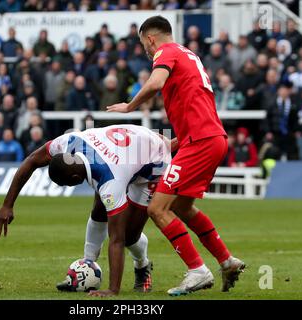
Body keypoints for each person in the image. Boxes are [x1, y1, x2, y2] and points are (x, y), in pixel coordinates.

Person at [107, 15, 245, 296]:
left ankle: (197, 270)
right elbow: (197, 112)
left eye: (144, 44)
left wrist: (130, 106)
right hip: (210, 138)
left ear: (150, 38)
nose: (146, 51)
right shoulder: (188, 55)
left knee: (157, 209)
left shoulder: (166, 52)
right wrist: (170, 145)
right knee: (182, 208)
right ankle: (227, 260)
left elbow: (156, 83)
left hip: (201, 143)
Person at [0, 125, 177, 295]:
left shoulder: (110, 181)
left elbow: (116, 239)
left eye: (66, 184)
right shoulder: (66, 143)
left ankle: (142, 266)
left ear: (74, 177)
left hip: (154, 163)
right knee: (98, 212)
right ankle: (87, 264)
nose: (68, 187)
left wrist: (113, 290)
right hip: (128, 147)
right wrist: (7, 204)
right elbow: (32, 160)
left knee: (128, 236)